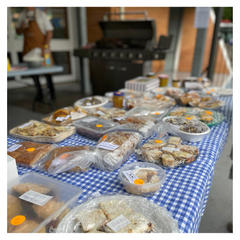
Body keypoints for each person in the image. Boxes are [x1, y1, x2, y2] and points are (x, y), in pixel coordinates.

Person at [16, 7, 55, 100]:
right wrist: (22, 27)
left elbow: (49, 32)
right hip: (29, 49)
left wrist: (46, 46)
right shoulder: (22, 15)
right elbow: (18, 32)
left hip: (42, 48)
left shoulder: (41, 14)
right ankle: (39, 93)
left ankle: (52, 92)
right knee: (33, 73)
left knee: (47, 71)